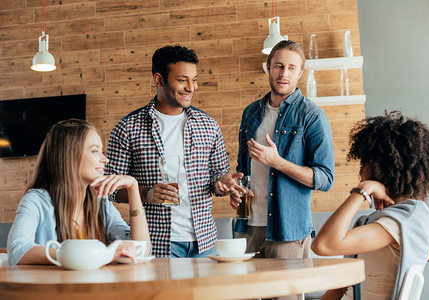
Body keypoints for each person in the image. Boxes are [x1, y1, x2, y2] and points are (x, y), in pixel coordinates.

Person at [105, 45, 243, 258]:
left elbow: (217, 178)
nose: (191, 87)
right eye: (182, 80)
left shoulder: (208, 125)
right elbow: (112, 189)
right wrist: (146, 193)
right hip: (158, 243)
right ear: (159, 80)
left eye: (194, 79)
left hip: (205, 242)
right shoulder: (128, 128)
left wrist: (222, 184)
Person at [312, 111, 429, 300]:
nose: (360, 172)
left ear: (380, 167)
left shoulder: (400, 223)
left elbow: (323, 245)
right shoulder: (388, 221)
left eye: (363, 163)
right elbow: (341, 287)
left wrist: (363, 190)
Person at [232, 39, 334, 268]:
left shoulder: (312, 115)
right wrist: (236, 191)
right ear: (268, 68)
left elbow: (325, 179)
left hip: (287, 231)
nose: (283, 73)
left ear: (300, 73)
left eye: (291, 67)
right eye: (278, 66)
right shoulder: (250, 113)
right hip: (248, 226)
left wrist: (277, 162)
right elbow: (243, 170)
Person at [7, 119, 151, 265]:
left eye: (102, 152)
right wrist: (95, 256)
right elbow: (18, 251)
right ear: (70, 155)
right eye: (95, 151)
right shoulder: (36, 200)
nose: (105, 159)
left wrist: (133, 188)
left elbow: (140, 250)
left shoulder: (100, 202)